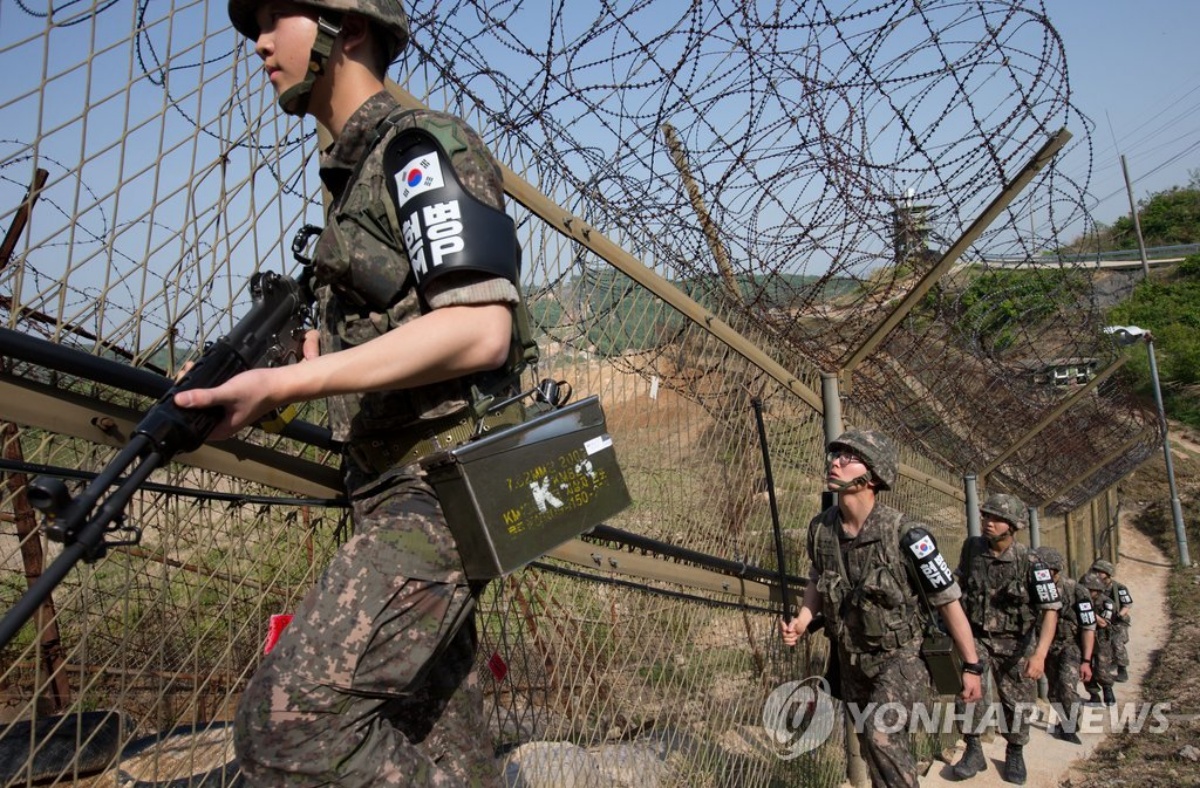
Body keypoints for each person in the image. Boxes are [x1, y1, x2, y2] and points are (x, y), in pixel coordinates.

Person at [176, 1, 531, 784]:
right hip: (395, 489)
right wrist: (275, 380)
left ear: (351, 28)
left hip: (440, 491)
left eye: (278, 16)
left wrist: (291, 377)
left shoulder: (415, 149)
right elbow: (394, 337)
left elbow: (480, 330)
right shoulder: (354, 174)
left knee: (288, 724)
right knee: (440, 743)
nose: (261, 41)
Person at [780, 429, 983, 788]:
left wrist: (971, 666)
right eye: (836, 454)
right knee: (872, 745)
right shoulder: (821, 529)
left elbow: (947, 600)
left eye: (850, 457)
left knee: (881, 733)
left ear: (873, 476)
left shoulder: (908, 535)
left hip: (901, 658)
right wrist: (803, 619)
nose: (837, 462)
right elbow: (817, 576)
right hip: (851, 659)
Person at [950, 493, 1060, 785]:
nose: (988, 522)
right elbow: (958, 585)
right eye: (986, 516)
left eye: (997, 519)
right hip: (977, 637)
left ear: (1012, 526)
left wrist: (1039, 655)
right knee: (968, 692)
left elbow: (1050, 611)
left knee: (1017, 702)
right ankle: (973, 750)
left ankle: (1014, 751)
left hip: (1017, 643)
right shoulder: (972, 548)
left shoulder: (1031, 562)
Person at [1034, 546, 1095, 744]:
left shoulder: (1076, 591)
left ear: (1056, 571)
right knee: (1053, 691)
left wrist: (1086, 660)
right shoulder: (1031, 588)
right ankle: (1063, 720)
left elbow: (1088, 627)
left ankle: (1070, 726)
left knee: (1067, 686)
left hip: (1070, 645)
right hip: (1045, 647)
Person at [1080, 571, 1119, 707]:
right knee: (1085, 668)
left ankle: (1108, 690)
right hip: (1083, 637)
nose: (1087, 593)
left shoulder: (1107, 603)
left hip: (1102, 638)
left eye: (1090, 590)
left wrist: (1088, 611)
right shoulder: (1079, 600)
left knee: (1102, 668)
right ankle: (1093, 694)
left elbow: (1104, 623)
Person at [1089, 559, 1132, 682]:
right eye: (1095, 571)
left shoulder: (1119, 588)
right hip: (1099, 620)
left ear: (1108, 573)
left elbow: (1127, 604)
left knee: (1117, 643)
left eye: (1099, 571)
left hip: (1117, 621)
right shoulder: (1092, 586)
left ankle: (1122, 668)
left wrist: (1119, 615)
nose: (1096, 574)